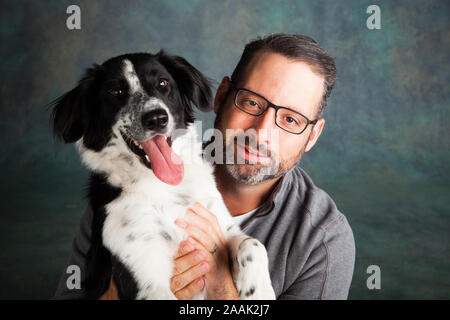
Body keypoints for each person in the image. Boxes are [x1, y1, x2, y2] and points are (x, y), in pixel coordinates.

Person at [54, 33, 355, 300]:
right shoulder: (119, 186)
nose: (261, 132)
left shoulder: (324, 239)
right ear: (222, 96)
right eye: (252, 103)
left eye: (291, 119)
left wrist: (220, 284)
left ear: (313, 134)